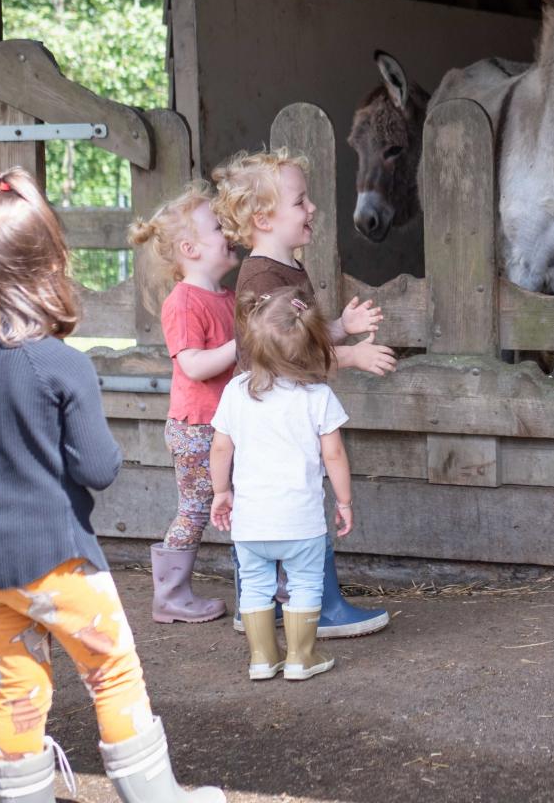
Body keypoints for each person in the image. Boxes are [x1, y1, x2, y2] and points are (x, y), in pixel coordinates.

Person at [0, 168, 223, 803]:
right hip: (57, 561)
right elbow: (98, 468)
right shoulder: (63, 366)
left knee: (20, 682)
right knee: (113, 673)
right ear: (49, 267)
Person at [211, 148, 392, 639]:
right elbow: (289, 356)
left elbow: (299, 335)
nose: (312, 209)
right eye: (301, 202)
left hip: (281, 405)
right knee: (301, 500)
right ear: (265, 218)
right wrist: (351, 355)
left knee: (280, 501)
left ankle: (266, 604)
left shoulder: (286, 266)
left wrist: (340, 326)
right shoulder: (263, 278)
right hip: (273, 411)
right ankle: (321, 607)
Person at [209, 289, 354, 680]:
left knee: (255, 584)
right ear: (312, 346)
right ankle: (300, 659)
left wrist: (221, 492)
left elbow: (221, 447)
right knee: (305, 583)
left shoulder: (236, 393)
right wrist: (344, 501)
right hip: (300, 522)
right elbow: (334, 456)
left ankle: (261, 659)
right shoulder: (317, 396)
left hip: (251, 522)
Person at [127, 181, 238, 624]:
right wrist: (241, 346)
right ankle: (170, 596)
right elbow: (193, 365)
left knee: (245, 500)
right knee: (195, 508)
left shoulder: (228, 299)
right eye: (218, 225)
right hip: (197, 429)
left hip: (227, 424)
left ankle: (263, 585)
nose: (229, 229)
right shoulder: (183, 302)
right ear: (190, 248)